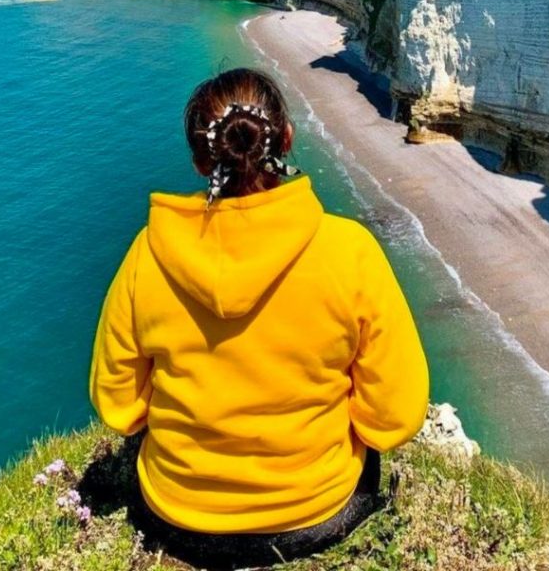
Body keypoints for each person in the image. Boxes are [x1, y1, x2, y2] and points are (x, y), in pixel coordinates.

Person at [89, 67, 429, 568]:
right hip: (316, 511)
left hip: (179, 515)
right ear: (286, 139)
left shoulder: (148, 255)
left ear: (203, 160)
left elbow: (117, 405)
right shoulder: (349, 251)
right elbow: (394, 416)